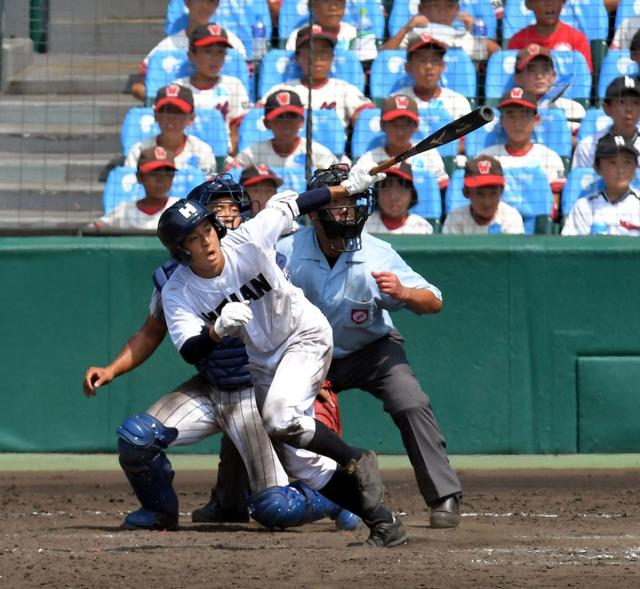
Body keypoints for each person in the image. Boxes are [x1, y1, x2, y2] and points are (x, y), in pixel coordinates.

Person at [83, 175, 360, 532]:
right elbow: (153, 332)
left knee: (275, 507)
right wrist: (111, 369)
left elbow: (298, 326)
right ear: (184, 243)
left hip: (254, 388)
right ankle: (159, 512)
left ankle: (341, 496)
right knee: (137, 437)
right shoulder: (174, 283)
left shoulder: (260, 252)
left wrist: (312, 376)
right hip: (212, 384)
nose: (228, 217)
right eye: (217, 210)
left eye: (232, 209)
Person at [157, 161, 409, 547]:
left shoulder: (248, 239)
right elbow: (191, 349)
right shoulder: (179, 291)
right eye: (194, 237)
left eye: (207, 229)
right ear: (180, 250)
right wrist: (216, 329)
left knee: (277, 416)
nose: (206, 241)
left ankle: (355, 456)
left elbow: (297, 204)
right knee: (301, 462)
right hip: (263, 360)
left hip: (303, 335)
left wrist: (347, 188)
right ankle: (383, 521)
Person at [274, 163, 463, 529]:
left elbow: (434, 300)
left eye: (353, 203)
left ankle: (444, 496)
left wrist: (405, 293)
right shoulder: (286, 252)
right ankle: (232, 497)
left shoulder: (377, 252)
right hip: (309, 355)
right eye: (339, 204)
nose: (347, 212)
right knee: (258, 405)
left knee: (411, 401)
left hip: (371, 349)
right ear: (314, 213)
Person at [259, 24, 375, 129]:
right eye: (310, 51)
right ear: (297, 57)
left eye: (323, 52)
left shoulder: (344, 89)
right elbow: (256, 117)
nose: (317, 57)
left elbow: (369, 117)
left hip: (332, 152)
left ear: (332, 57)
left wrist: (360, 119)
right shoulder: (282, 91)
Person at [132, 0, 247, 101]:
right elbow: (139, 87)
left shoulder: (234, 44)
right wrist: (167, 101)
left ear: (217, 5)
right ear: (187, 2)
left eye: (211, 1)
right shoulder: (166, 47)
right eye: (200, 0)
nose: (205, 6)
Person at [481, 87, 566, 216]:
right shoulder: (487, 157)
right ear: (502, 120)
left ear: (536, 120)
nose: (517, 123)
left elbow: (552, 209)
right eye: (511, 115)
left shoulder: (549, 157)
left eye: (524, 115)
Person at [173, 24, 251, 155]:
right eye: (208, 51)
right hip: (185, 155)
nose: (215, 59)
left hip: (223, 156)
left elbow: (237, 130)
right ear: (192, 55)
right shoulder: (178, 89)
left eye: (220, 52)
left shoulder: (234, 86)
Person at [228, 89, 341, 171]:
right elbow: (230, 178)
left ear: (302, 121)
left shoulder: (318, 152)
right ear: (267, 124)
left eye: (292, 117)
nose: (286, 123)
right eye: (279, 117)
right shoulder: (252, 153)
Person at [356, 94, 448, 191]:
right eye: (394, 125)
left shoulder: (428, 153)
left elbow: (440, 192)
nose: (400, 132)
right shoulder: (369, 159)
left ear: (416, 126)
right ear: (382, 125)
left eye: (406, 125)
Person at [124, 84, 217, 178]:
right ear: (155, 116)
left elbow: (208, 190)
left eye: (178, 111)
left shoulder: (202, 151)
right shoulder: (139, 150)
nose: (170, 117)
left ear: (191, 118)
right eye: (165, 110)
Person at [562, 134, 640, 235]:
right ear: (597, 168)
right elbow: (571, 247)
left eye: (627, 162)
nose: (621, 170)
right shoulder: (584, 206)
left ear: (635, 167)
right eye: (613, 163)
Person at [90, 147, 179, 232]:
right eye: (154, 173)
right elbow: (92, 228)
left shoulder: (181, 208)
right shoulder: (125, 210)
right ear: (139, 177)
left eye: (167, 173)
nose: (161, 179)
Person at [382, 0, 500, 61]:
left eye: (449, 6)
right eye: (435, 5)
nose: (442, 11)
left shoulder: (463, 35)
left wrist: (475, 28)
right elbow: (383, 55)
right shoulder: (414, 33)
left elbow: (497, 54)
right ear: (421, 9)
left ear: (457, 10)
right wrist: (407, 27)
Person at [392, 33, 472, 121]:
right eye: (422, 60)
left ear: (443, 66)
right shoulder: (396, 102)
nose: (429, 66)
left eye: (434, 60)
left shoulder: (458, 102)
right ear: (408, 67)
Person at [513, 43, 585, 135]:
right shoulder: (510, 111)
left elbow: (581, 144)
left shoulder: (572, 108)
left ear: (553, 76)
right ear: (518, 78)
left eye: (545, 69)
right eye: (531, 70)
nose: (539, 76)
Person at [442, 155, 525, 234]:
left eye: (493, 193)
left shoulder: (510, 217)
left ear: (502, 191)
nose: (487, 202)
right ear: (466, 192)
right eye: (480, 194)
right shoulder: (455, 218)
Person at [572, 76, 640, 169]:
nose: (629, 109)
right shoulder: (588, 146)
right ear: (606, 108)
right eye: (622, 102)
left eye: (636, 102)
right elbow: (580, 182)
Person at [507, 0, 592, 72]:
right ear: (529, 4)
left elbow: (584, 79)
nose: (549, 3)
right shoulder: (518, 40)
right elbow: (513, 77)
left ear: (563, 3)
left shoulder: (577, 39)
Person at [284, 0, 377, 65]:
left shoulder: (361, 37)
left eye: (339, 1)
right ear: (312, 6)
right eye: (326, 1)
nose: (333, 7)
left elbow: (363, 74)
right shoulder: (298, 36)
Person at [365, 161, 435, 235]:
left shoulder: (422, 227)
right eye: (386, 190)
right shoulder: (365, 226)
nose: (393, 197)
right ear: (376, 193)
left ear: (412, 194)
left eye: (401, 190)